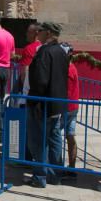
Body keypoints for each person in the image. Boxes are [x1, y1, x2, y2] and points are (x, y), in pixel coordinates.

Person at [26, 21, 70, 188]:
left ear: (49, 33)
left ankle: (40, 176)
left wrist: (33, 100)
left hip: (42, 104)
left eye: (41, 31)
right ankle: (55, 174)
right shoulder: (61, 51)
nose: (38, 33)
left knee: (38, 141)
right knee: (54, 138)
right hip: (56, 103)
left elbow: (41, 81)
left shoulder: (45, 52)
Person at [61, 43, 80, 170]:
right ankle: (72, 167)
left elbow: (65, 91)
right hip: (73, 106)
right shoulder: (72, 67)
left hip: (66, 107)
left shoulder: (67, 70)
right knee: (70, 135)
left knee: (54, 134)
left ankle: (55, 165)